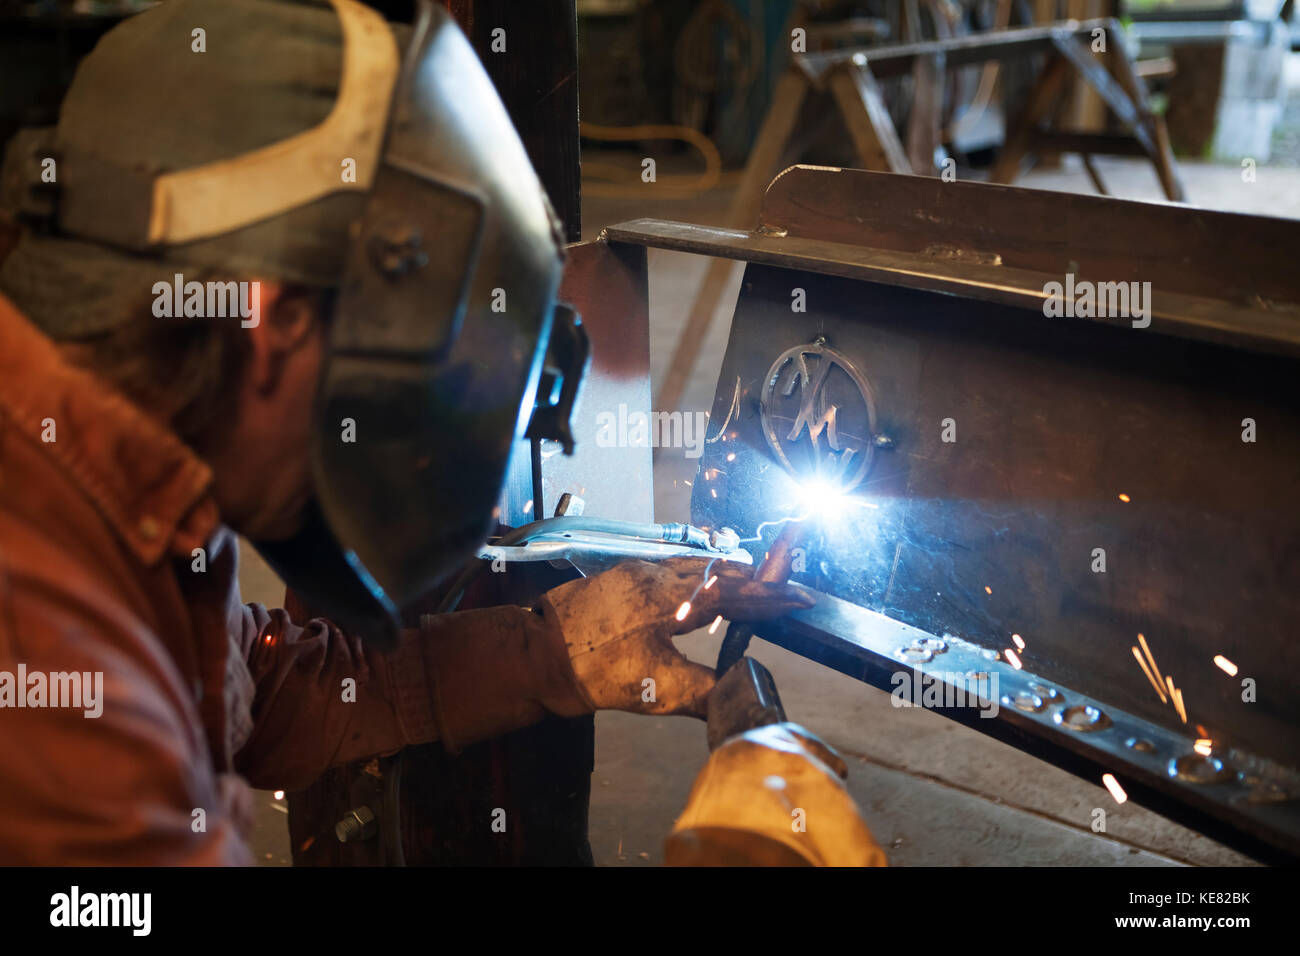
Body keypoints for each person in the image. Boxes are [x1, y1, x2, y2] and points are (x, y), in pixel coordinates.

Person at [0, 0, 816, 864]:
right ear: (271, 327)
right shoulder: (50, 652)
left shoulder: (114, 480)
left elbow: (253, 687)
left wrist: (548, 651)